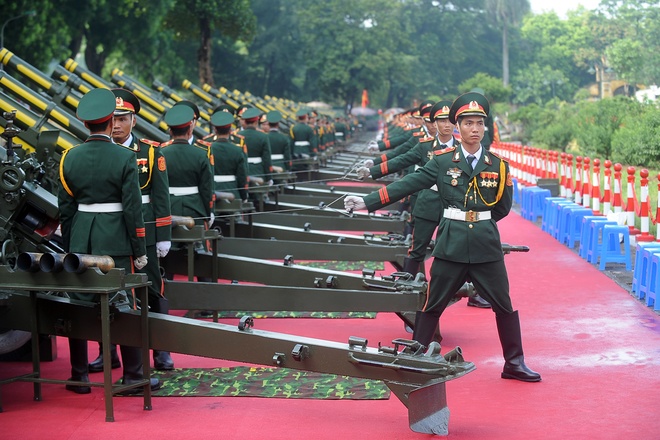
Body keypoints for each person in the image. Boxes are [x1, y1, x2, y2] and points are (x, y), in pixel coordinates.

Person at [344, 92, 541, 382]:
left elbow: (501, 207)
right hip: (451, 245)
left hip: (486, 246)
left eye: (479, 123)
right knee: (433, 305)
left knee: (504, 305)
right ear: (457, 127)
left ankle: (514, 362)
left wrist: (477, 222)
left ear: (485, 127)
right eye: (468, 123)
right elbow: (407, 184)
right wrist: (366, 202)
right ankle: (415, 357)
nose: (474, 129)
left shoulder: (498, 166)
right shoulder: (441, 162)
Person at [58, 88, 160, 394]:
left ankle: (79, 377)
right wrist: (140, 250)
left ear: (86, 122)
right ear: (108, 121)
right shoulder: (125, 157)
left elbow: (66, 211)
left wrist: (72, 245)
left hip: (81, 239)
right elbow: (132, 210)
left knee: (79, 304)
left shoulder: (69, 158)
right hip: (117, 241)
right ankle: (131, 376)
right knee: (124, 305)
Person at [88, 88, 173, 371]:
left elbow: (161, 198)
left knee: (151, 290)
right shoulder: (97, 150)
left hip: (145, 232)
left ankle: (161, 351)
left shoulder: (150, 152)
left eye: (123, 119)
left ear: (133, 120)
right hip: (110, 232)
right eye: (112, 118)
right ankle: (108, 352)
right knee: (107, 291)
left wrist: (163, 237)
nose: (116, 125)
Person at [160, 104, 214, 280]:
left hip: (169, 209)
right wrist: (208, 212)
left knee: (167, 259)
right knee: (201, 258)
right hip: (195, 208)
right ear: (190, 127)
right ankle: (206, 297)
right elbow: (206, 189)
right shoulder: (200, 154)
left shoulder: (161, 153)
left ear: (169, 129)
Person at [208, 110, 249, 202]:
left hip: (214, 190)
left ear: (215, 129)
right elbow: (242, 176)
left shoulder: (207, 149)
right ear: (230, 130)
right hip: (232, 190)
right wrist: (244, 195)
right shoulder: (237, 150)